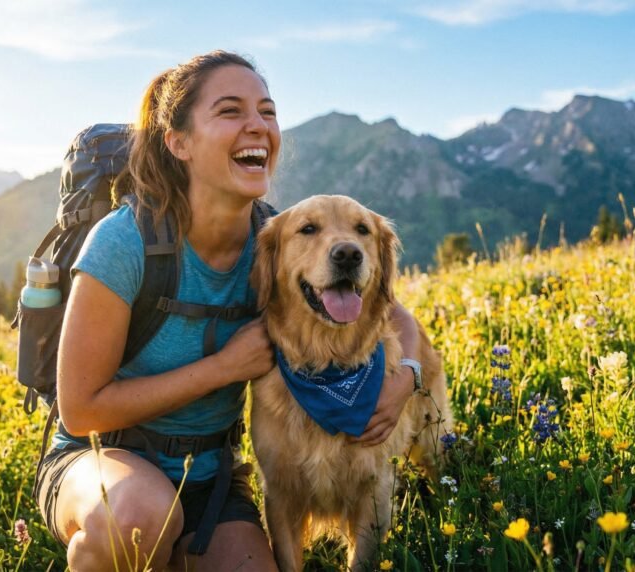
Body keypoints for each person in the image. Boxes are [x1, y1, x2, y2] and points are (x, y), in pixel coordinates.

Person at [34, 50, 420, 571]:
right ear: (179, 142)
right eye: (231, 110)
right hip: (101, 460)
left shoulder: (280, 237)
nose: (258, 125)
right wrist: (223, 368)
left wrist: (406, 378)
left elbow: (391, 313)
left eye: (267, 111)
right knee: (139, 521)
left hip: (208, 478)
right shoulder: (125, 241)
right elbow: (81, 410)